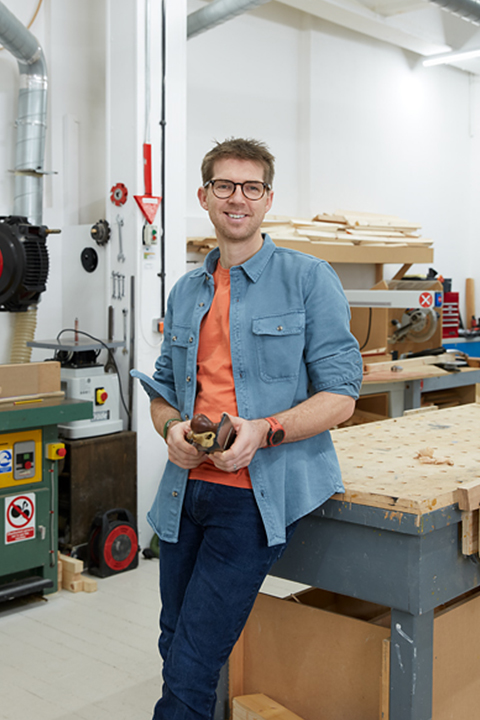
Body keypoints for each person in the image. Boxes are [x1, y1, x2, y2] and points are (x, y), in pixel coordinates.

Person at [132, 137, 363, 720]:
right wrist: (171, 431)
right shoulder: (188, 291)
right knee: (173, 641)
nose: (238, 199)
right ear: (205, 196)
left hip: (251, 499)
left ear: (267, 200)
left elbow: (342, 396)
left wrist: (265, 429)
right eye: (225, 186)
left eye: (251, 187)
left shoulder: (309, 278)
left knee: (190, 666)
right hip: (185, 492)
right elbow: (162, 392)